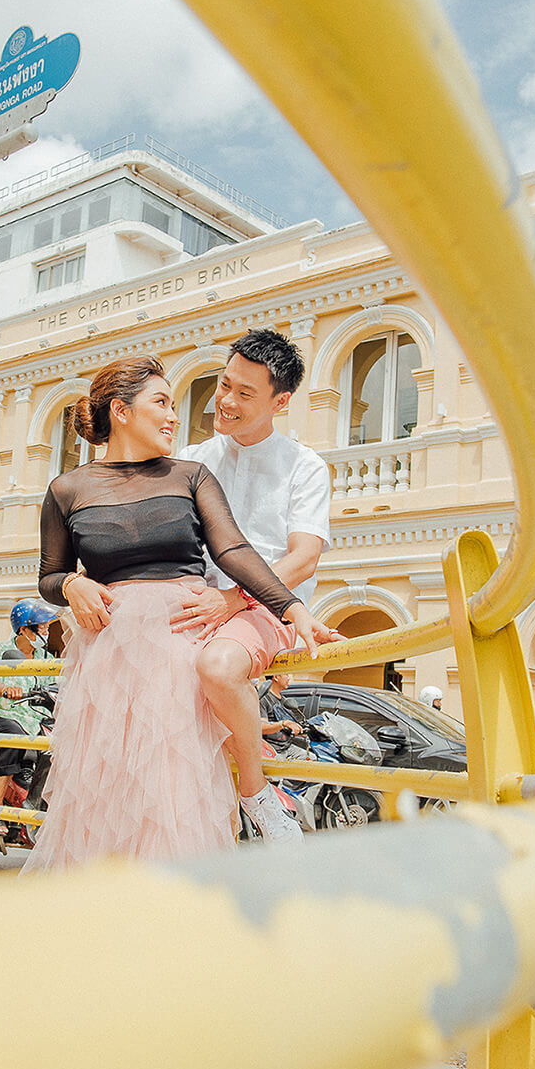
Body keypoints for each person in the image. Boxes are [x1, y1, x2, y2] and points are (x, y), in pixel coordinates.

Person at [27, 355, 337, 871]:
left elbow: (233, 552)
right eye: (162, 403)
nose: (176, 414)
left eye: (174, 404)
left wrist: (291, 607)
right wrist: (73, 583)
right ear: (121, 412)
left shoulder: (192, 474)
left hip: (181, 635)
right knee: (103, 795)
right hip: (108, 655)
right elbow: (48, 576)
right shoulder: (67, 488)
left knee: (172, 796)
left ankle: (183, 917)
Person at [173, 329, 333, 843]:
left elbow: (304, 558)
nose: (226, 401)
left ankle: (257, 795)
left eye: (245, 394)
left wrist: (234, 598)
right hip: (197, 604)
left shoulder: (304, 466)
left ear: (280, 401)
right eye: (224, 385)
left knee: (217, 668)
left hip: (269, 609)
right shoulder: (193, 458)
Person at [0, 598, 58, 839]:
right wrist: (5, 689)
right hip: (4, 715)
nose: (46, 631)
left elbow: (58, 682)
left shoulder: (46, 658)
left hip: (36, 720)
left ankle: (35, 803)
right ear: (24, 629)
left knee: (62, 744)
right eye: (42, 627)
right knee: (14, 738)